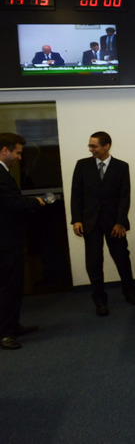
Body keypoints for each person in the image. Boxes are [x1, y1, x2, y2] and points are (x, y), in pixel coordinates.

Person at [70, 131, 135, 316]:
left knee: (122, 258)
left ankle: (130, 292)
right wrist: (76, 220)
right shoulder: (82, 165)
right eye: (90, 146)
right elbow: (76, 195)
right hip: (90, 222)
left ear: (106, 146)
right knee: (94, 263)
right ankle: (100, 300)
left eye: (94, 146)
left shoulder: (121, 167)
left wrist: (121, 222)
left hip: (114, 223)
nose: (90, 149)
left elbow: (124, 196)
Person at [0, 133, 44, 350]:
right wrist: (36, 202)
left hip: (9, 240)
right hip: (4, 243)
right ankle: (5, 333)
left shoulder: (4, 172)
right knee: (8, 288)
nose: (19, 157)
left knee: (14, 286)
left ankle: (12, 325)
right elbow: (13, 204)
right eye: (17, 153)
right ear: (4, 150)